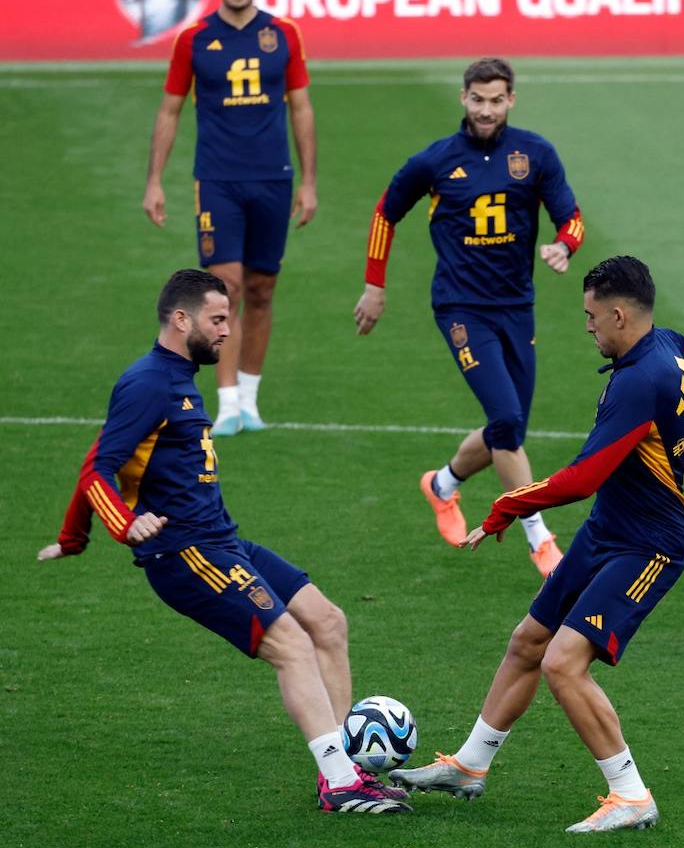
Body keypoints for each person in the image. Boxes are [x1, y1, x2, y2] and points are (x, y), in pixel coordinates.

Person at [388, 256, 684, 832]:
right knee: (528, 641)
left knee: (564, 663)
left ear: (617, 313)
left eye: (590, 316)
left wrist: (507, 506)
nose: (587, 326)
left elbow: (582, 478)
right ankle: (470, 766)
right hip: (609, 531)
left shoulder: (640, 381)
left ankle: (631, 795)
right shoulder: (672, 346)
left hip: (649, 547)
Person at [37, 269, 409, 815]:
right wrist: (120, 524)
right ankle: (341, 784)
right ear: (180, 319)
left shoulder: (178, 377)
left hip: (223, 542)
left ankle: (345, 771)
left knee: (328, 623)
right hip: (185, 553)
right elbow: (96, 469)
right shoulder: (147, 383)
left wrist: (73, 538)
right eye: (217, 319)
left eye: (228, 318)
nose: (227, 330)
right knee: (292, 645)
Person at [354, 57, 584, 579]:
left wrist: (565, 246)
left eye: (496, 100)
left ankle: (442, 485)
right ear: (463, 98)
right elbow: (385, 212)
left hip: (516, 306)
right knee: (506, 422)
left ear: (511, 101)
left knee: (509, 426)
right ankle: (540, 538)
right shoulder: (435, 161)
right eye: (477, 100)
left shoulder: (536, 153)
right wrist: (374, 285)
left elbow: (569, 216)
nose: (486, 110)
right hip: (460, 308)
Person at [143, 0, 318, 438]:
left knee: (261, 289)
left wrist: (309, 181)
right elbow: (168, 110)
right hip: (218, 181)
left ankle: (250, 399)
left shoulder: (284, 34)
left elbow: (301, 108)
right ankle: (225, 405)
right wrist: (155, 180)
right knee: (228, 288)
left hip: (273, 181)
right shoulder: (194, 39)